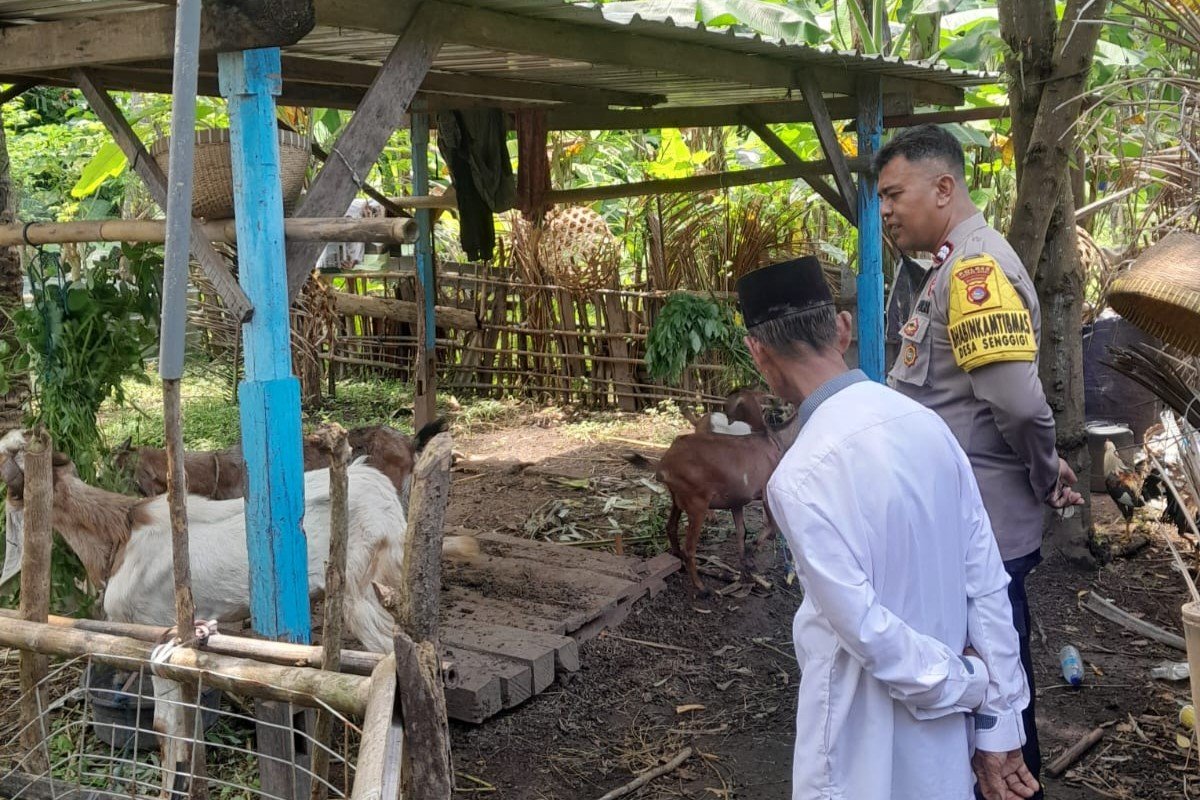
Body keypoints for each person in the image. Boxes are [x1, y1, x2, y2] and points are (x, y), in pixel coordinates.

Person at [736, 256, 1039, 800]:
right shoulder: (930, 427)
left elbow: (870, 633)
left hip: (856, 749)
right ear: (843, 328)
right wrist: (998, 720)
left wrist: (968, 682)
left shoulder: (797, 479)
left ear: (758, 352)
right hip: (944, 740)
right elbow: (986, 584)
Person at [874, 124, 1086, 797]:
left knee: (997, 693)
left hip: (980, 530)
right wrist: (1044, 465)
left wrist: (1044, 473)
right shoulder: (949, 265)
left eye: (893, 194)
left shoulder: (974, 271)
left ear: (944, 187)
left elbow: (1018, 406)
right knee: (985, 681)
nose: (885, 210)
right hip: (958, 521)